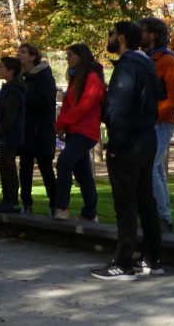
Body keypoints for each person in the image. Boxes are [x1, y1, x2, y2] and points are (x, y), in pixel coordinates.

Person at [92, 21, 162, 280]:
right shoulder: (147, 64)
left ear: (121, 38)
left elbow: (119, 109)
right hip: (146, 138)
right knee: (146, 200)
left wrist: (115, 145)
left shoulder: (127, 67)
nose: (108, 38)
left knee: (126, 202)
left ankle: (123, 263)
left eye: (110, 34)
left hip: (128, 142)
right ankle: (152, 258)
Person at [139, 16, 174, 233]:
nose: (139, 33)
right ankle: (164, 217)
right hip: (147, 122)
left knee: (150, 166)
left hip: (161, 122)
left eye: (143, 30)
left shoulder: (168, 61)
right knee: (155, 168)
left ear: (153, 34)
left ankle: (161, 217)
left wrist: (152, 114)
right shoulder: (143, 59)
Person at [52, 44, 106, 222]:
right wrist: (63, 126)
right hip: (75, 131)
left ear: (80, 57)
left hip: (86, 132)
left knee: (64, 163)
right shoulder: (76, 79)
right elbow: (68, 104)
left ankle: (61, 207)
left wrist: (61, 123)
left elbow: (83, 107)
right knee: (83, 173)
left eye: (70, 55)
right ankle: (90, 212)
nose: (67, 59)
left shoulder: (92, 78)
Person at [17, 43, 57, 215]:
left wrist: (23, 98)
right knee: (25, 168)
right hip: (26, 129)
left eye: (23, 52)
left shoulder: (44, 77)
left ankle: (55, 204)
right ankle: (26, 203)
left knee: (45, 167)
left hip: (41, 129)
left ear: (33, 57)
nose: (19, 55)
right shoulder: (22, 77)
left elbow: (46, 102)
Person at [0, 56, 26, 214]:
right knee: (3, 166)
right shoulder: (9, 89)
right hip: (6, 136)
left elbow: (10, 117)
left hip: (10, 136)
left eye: (1, 67)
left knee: (8, 167)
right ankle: (7, 198)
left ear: (11, 71)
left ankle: (12, 200)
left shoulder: (13, 91)